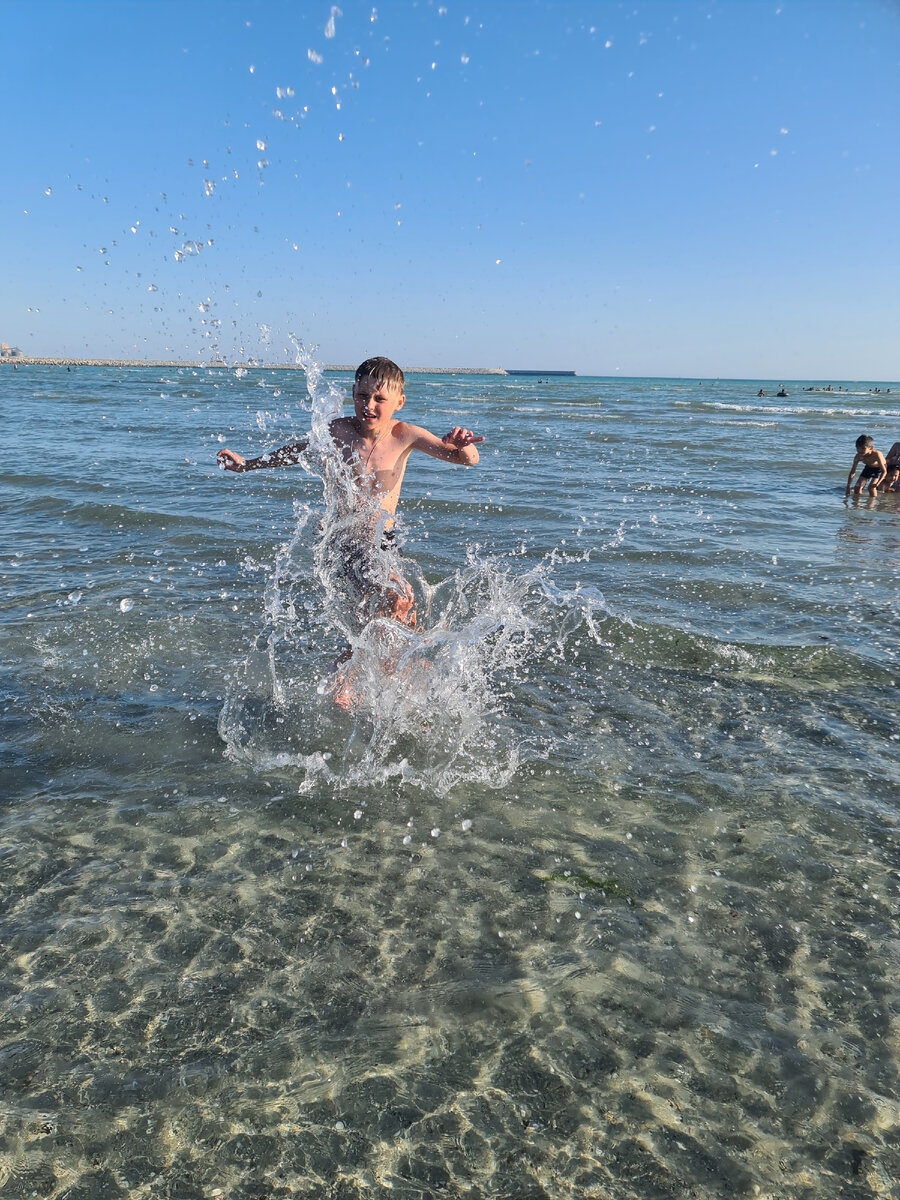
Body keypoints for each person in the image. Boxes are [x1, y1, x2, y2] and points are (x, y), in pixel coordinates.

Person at [217, 354, 483, 635]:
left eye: (379, 399)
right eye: (362, 396)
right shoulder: (338, 431)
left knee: (393, 612)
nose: (369, 405)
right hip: (345, 539)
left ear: (399, 402)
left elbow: (469, 460)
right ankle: (375, 657)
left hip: (383, 539)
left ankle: (382, 658)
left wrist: (462, 445)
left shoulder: (405, 435)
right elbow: (297, 452)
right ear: (353, 393)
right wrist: (248, 464)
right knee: (393, 603)